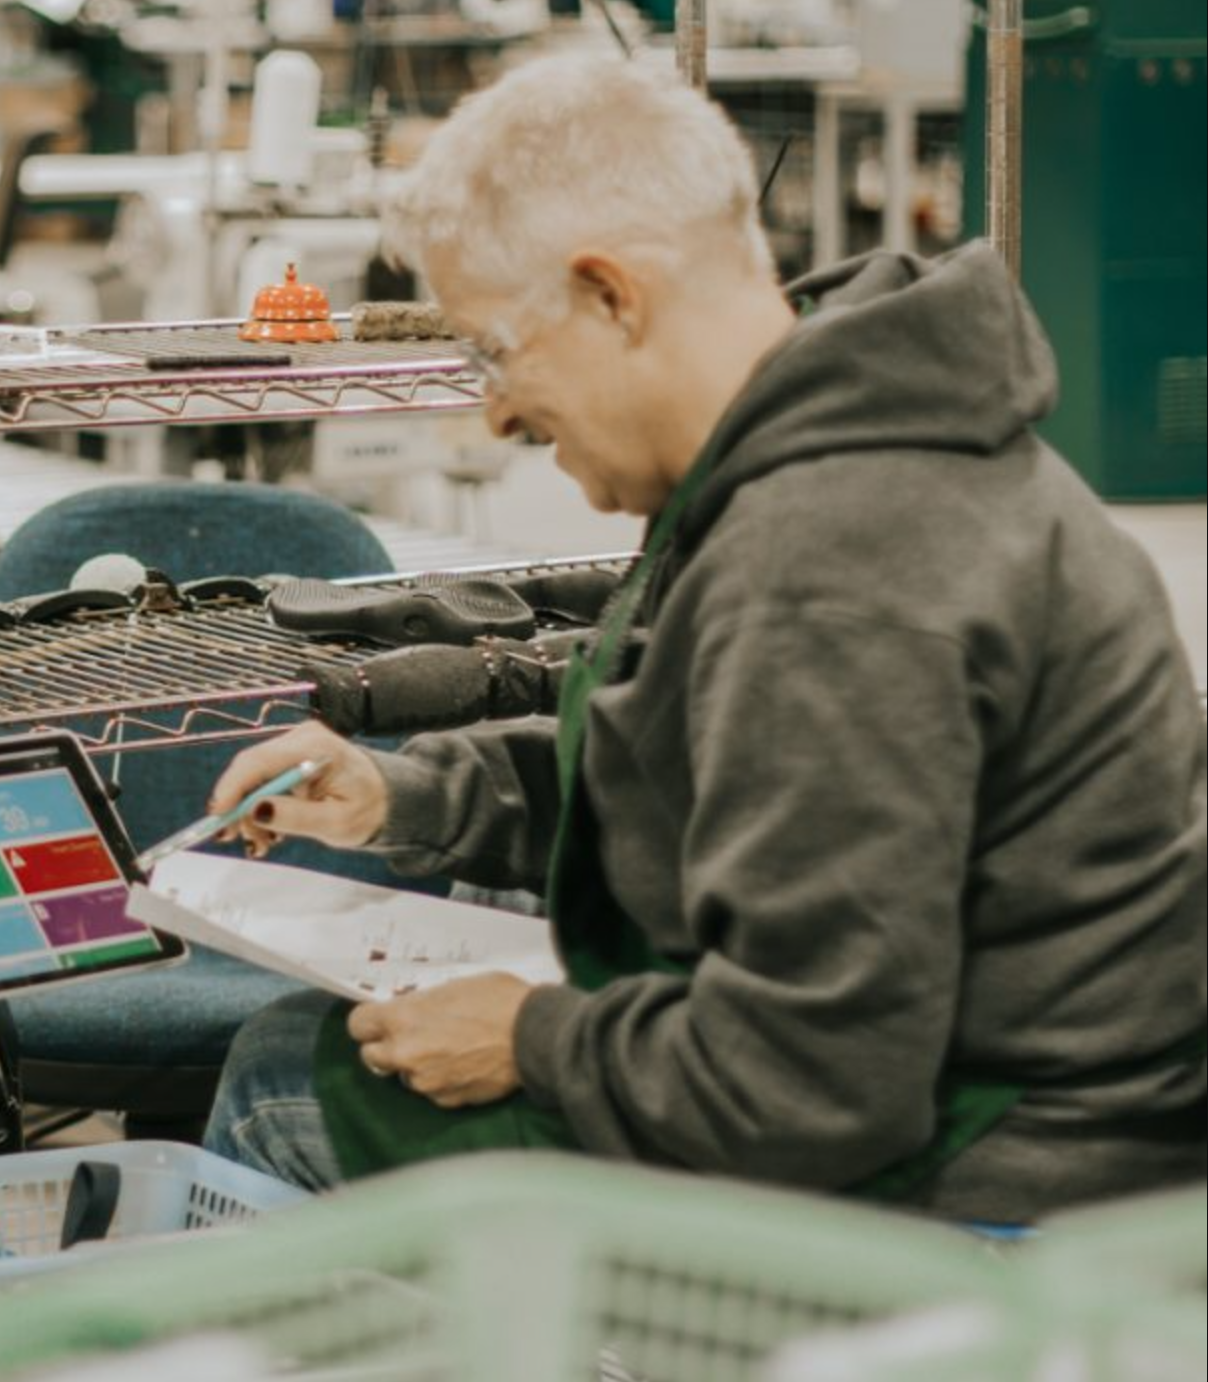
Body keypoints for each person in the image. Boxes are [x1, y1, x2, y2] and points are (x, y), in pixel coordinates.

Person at [199, 54, 1206, 1224]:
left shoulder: (832, 567)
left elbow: (812, 1085)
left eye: (495, 350)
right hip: (973, 1094)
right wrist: (409, 794)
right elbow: (682, 771)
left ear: (612, 296)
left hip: (998, 1188)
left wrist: (539, 1037)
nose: (497, 411)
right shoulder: (832, 441)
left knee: (286, 1083)